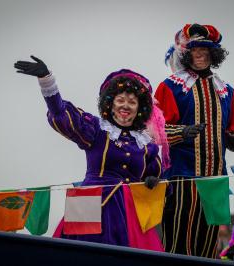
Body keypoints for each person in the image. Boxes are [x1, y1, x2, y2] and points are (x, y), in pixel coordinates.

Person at [14, 56, 165, 251]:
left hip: (130, 212)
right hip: (88, 203)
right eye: (120, 100)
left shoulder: (146, 144)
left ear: (140, 109)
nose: (125, 106)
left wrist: (153, 182)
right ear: (110, 104)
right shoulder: (96, 129)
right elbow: (62, 115)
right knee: (79, 256)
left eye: (132, 102)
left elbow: (158, 178)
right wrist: (46, 80)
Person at [154, 23, 234, 257]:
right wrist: (181, 132)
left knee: (209, 246)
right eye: (195, 50)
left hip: (216, 178)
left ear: (213, 54)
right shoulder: (171, 87)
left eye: (206, 51)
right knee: (178, 242)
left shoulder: (226, 91)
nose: (200, 55)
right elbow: (154, 132)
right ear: (186, 54)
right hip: (181, 177)